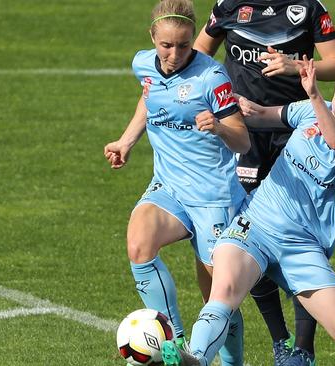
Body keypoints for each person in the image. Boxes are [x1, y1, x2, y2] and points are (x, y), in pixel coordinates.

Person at [160, 25, 335, 366]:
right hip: (255, 226)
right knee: (224, 294)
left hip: (301, 246)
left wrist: (317, 97)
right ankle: (194, 360)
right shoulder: (314, 109)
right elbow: (263, 116)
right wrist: (234, 109)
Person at [193, 1, 335, 364]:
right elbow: (199, 52)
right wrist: (219, 95)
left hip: (297, 133)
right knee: (248, 235)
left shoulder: (307, 7)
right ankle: (281, 339)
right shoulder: (229, 5)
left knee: (299, 236)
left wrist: (297, 66)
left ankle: (304, 350)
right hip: (246, 134)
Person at [103, 0, 250, 365]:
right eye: (166, 45)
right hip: (168, 186)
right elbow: (150, 97)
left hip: (212, 196)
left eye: (184, 45)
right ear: (153, 37)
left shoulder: (212, 78)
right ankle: (176, 343)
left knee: (218, 298)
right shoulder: (142, 64)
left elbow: (242, 140)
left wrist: (217, 126)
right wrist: (126, 140)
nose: (174, 54)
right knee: (139, 243)